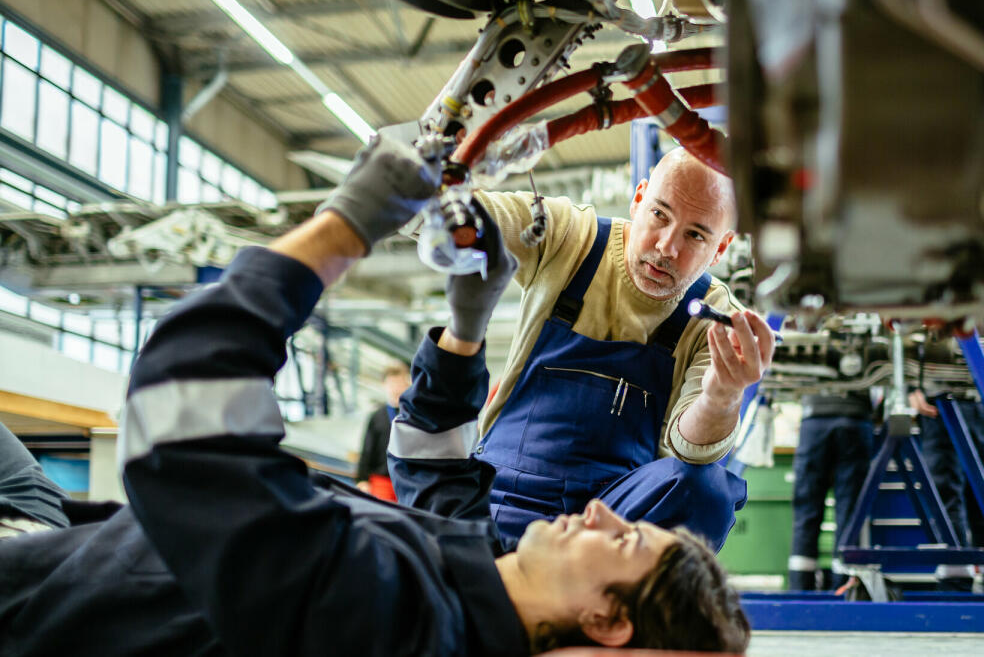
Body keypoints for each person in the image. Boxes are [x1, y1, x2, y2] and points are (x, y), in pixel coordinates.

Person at [0, 131, 750, 656]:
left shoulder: (394, 618)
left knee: (710, 483)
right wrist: (464, 332)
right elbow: (433, 469)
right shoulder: (480, 568)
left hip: (38, 589)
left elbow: (180, 424)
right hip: (74, 530)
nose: (600, 509)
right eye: (658, 216)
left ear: (605, 620)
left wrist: (346, 224)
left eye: (623, 537)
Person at [460, 145, 776, 549]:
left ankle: (636, 600)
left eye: (695, 234)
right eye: (660, 214)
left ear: (721, 248)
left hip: (614, 525)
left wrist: (721, 395)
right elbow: (471, 216)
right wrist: (431, 195)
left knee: (708, 490)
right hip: (504, 491)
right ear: (638, 198)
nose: (666, 247)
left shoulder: (715, 318)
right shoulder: (569, 238)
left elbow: (689, 451)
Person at [911, 383, 984, 593]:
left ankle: (958, 582)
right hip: (968, 404)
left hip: (944, 404)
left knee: (953, 495)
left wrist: (911, 389)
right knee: (980, 495)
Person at [788, 391, 875, 590]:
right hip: (855, 418)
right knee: (850, 513)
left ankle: (800, 590)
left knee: (806, 512)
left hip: (814, 420)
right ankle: (844, 591)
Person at [355, 361, 412, 500]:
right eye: (392, 384)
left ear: (407, 385)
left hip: (408, 480)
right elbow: (367, 449)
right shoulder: (377, 417)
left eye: (399, 383)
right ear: (384, 385)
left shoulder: (414, 415)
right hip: (382, 480)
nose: (396, 388)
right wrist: (361, 479)